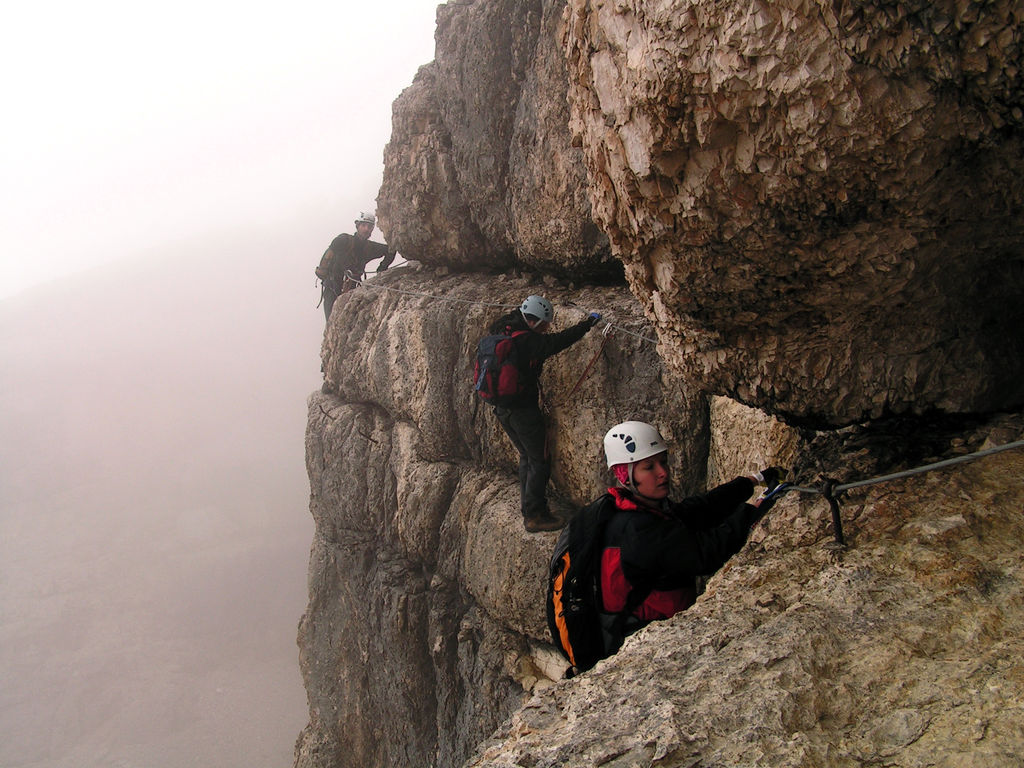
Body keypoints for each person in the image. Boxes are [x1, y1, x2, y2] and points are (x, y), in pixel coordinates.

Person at [594, 420, 785, 656]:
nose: (663, 472)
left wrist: (752, 481)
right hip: (647, 642)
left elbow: (697, 510)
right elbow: (706, 554)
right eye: (649, 467)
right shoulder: (638, 530)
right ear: (625, 475)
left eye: (663, 462)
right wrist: (755, 509)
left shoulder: (637, 507)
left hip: (660, 626)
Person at [485, 295, 601, 532]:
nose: (546, 329)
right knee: (539, 460)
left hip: (502, 409)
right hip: (523, 412)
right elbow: (557, 342)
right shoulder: (528, 341)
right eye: (545, 325)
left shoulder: (503, 328)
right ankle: (535, 515)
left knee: (527, 456)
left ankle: (528, 508)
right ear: (536, 322)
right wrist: (587, 324)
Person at [316, 211, 396, 320]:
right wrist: (323, 270)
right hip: (332, 285)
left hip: (351, 288)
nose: (366, 229)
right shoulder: (344, 241)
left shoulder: (369, 248)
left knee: (346, 320)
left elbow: (390, 250)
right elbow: (329, 254)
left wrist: (382, 268)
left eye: (369, 227)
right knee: (331, 320)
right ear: (358, 226)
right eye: (363, 225)